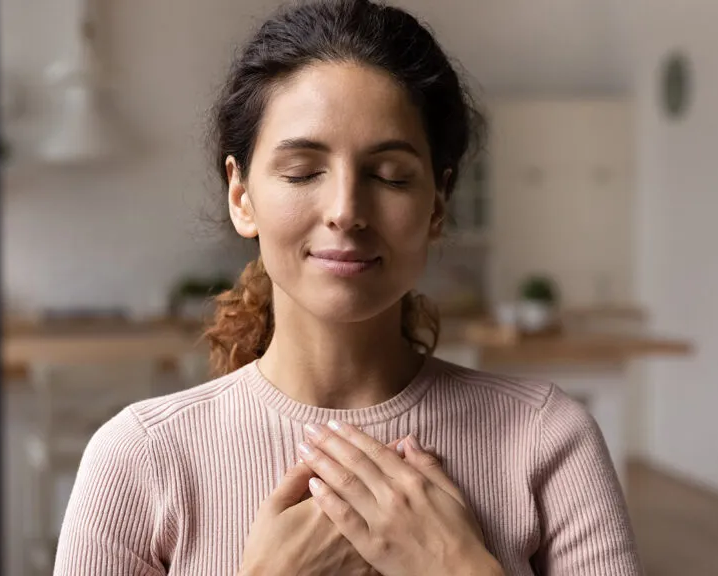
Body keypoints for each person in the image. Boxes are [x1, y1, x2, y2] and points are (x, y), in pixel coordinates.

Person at [53, 0, 642, 574]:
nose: (345, 210)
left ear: (437, 203)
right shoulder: (140, 459)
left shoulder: (547, 441)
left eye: (389, 175)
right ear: (241, 195)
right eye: (303, 172)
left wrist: (458, 567)